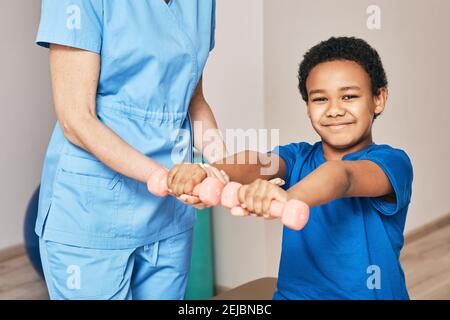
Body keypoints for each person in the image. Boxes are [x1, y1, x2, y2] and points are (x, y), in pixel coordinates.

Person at [167, 37, 413, 299]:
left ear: (379, 98)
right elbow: (256, 163)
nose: (334, 110)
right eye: (320, 99)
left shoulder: (391, 162)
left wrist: (289, 198)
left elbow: (343, 176)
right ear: (308, 107)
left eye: (349, 96)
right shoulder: (297, 156)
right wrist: (209, 172)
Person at [35, 0, 225, 300]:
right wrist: (165, 179)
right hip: (93, 208)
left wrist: (222, 169)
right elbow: (76, 118)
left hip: (169, 214)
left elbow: (192, 99)